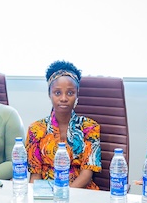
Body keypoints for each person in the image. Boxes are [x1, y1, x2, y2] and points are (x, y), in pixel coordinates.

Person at [24, 61, 101, 189]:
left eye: (70, 93)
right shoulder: (36, 129)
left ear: (77, 95)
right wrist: (33, 197)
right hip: (46, 192)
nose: (64, 98)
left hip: (81, 191)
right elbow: (35, 175)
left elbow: (87, 174)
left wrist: (65, 195)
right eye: (57, 93)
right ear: (49, 94)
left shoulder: (90, 127)